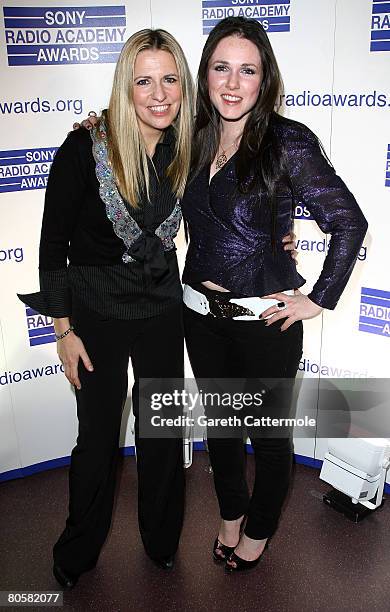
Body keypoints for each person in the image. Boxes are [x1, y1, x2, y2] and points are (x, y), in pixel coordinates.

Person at [180, 17, 368, 572]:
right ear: (206, 75)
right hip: (199, 315)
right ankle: (230, 516)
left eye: (248, 70)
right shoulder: (193, 136)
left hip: (265, 323)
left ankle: (258, 531)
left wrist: (318, 297)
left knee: (266, 440)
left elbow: (348, 222)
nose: (233, 83)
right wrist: (92, 128)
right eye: (221, 68)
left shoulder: (288, 141)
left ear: (265, 79)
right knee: (221, 431)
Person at [17, 28, 195, 587]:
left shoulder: (190, 145)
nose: (159, 93)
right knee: (96, 440)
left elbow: (235, 204)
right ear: (125, 86)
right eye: (145, 80)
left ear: (184, 87)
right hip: (94, 315)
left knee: (162, 432)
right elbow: (52, 246)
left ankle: (162, 541)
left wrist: (281, 240)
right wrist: (63, 330)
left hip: (162, 309)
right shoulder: (82, 148)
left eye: (170, 79)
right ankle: (77, 552)